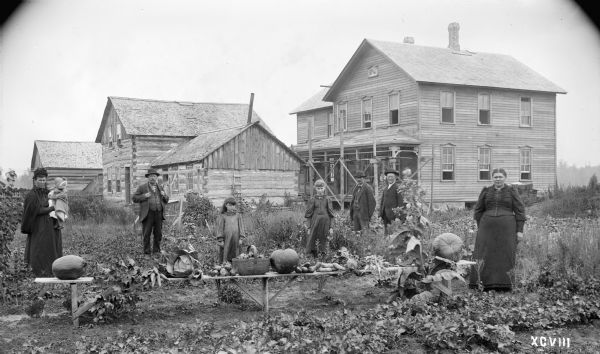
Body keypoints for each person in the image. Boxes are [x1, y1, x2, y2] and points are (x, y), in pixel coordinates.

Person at [469, 168, 526, 292]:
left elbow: (520, 211)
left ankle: (504, 284)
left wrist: (519, 230)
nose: (498, 179)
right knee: (484, 252)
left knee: (505, 253)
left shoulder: (512, 191)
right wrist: (481, 226)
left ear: (505, 178)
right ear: (492, 178)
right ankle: (483, 282)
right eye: (495, 177)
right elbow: (478, 210)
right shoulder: (486, 191)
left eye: (500, 177)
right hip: (486, 227)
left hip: (507, 229)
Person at [21, 168, 63, 276]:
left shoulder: (49, 193)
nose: (42, 182)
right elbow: (35, 210)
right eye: (40, 180)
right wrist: (51, 208)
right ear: (35, 180)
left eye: (44, 180)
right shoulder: (31, 195)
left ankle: (53, 270)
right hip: (38, 227)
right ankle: (37, 271)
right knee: (39, 249)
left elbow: (58, 202)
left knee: (51, 248)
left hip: (51, 227)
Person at [133, 168, 169, 255]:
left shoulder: (160, 187)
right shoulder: (142, 188)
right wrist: (144, 196)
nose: (152, 178)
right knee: (146, 233)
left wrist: (164, 196)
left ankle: (156, 251)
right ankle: (147, 253)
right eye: (150, 176)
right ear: (148, 177)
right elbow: (134, 198)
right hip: (148, 214)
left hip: (159, 213)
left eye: (154, 176)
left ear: (157, 177)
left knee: (158, 234)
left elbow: (166, 200)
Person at [304, 179, 334, 257]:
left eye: (321, 188)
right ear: (315, 189)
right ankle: (313, 254)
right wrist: (309, 227)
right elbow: (309, 215)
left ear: (324, 188)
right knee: (313, 236)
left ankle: (324, 254)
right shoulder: (312, 199)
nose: (320, 190)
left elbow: (331, 214)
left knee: (324, 236)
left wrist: (331, 227)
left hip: (325, 222)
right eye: (318, 188)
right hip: (315, 221)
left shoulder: (328, 199)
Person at [215, 197, 246, 263]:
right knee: (226, 251)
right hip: (226, 239)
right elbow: (220, 228)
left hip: (236, 238)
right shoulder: (223, 216)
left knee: (236, 252)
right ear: (226, 205)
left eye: (233, 205)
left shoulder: (238, 215)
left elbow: (241, 227)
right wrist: (221, 240)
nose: (232, 207)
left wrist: (241, 238)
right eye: (230, 205)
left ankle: (236, 266)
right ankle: (225, 266)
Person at [349, 171, 376, 235]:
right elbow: (353, 200)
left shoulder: (368, 188)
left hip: (364, 215)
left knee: (364, 234)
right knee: (356, 233)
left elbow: (372, 203)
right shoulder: (356, 187)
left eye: (361, 178)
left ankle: (365, 245)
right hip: (355, 214)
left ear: (364, 179)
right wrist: (352, 213)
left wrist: (368, 215)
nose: (359, 179)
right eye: (357, 178)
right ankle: (358, 245)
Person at [379, 169, 403, 235]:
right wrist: (380, 214)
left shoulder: (397, 188)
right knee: (386, 232)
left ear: (395, 177)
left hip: (393, 216)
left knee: (393, 233)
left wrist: (398, 217)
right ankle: (386, 244)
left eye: (392, 177)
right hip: (385, 215)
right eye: (388, 177)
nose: (390, 178)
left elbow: (400, 203)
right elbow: (382, 202)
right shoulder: (385, 188)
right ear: (386, 178)